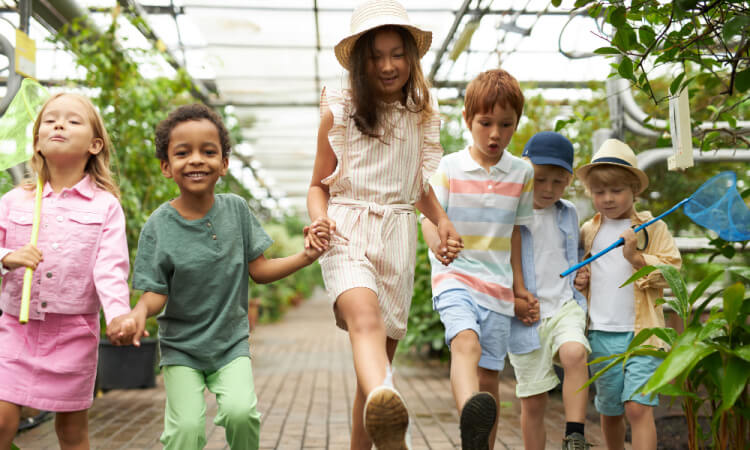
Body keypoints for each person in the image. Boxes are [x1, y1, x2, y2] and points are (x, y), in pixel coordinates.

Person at [107, 104, 324, 450]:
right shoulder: (158, 226)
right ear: (166, 166)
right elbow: (155, 292)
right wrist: (136, 314)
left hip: (230, 344)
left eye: (208, 152)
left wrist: (305, 256)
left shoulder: (236, 210)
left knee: (242, 414)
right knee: (186, 431)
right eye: (183, 153)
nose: (196, 160)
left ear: (223, 164)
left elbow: (260, 270)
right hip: (181, 348)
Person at [305, 1, 462, 448]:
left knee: (375, 367)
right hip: (347, 229)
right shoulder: (339, 111)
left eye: (397, 54)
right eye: (376, 56)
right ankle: (387, 398)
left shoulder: (421, 115)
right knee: (366, 324)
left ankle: (381, 411)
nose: (388, 65)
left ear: (411, 59)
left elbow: (415, 185)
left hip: (396, 235)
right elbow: (318, 186)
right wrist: (319, 222)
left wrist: (442, 220)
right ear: (360, 62)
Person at [0, 92, 131, 449]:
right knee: (1, 419)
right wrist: (7, 256)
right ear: (37, 141)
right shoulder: (13, 201)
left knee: (72, 434)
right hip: (14, 328)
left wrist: (118, 315)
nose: (59, 124)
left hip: (73, 333)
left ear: (94, 144)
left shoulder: (105, 206)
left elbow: (111, 266)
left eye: (73, 120)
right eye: (50, 120)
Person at [422, 69, 534, 450]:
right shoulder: (448, 167)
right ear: (468, 120)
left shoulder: (523, 172)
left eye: (506, 124)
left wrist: (519, 288)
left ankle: (480, 443)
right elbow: (428, 216)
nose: (495, 134)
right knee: (464, 343)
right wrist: (439, 244)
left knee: (490, 381)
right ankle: (470, 426)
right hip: (455, 277)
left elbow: (516, 233)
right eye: (485, 123)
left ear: (517, 123)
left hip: (499, 287)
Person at [575, 139, 681, 450]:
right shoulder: (587, 232)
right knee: (610, 411)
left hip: (643, 334)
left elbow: (673, 272)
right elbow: (582, 276)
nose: (607, 198)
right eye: (599, 192)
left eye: (616, 190)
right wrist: (581, 278)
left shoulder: (653, 229)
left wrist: (636, 258)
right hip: (600, 334)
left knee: (638, 407)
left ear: (634, 189)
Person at [506, 131, 591, 450]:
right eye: (540, 180)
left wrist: (581, 275)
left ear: (568, 181)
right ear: (525, 172)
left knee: (575, 352)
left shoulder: (568, 213)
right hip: (527, 317)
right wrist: (514, 298)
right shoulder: (511, 213)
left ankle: (575, 435)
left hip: (564, 306)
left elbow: (572, 256)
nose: (548, 189)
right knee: (534, 402)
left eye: (558, 182)